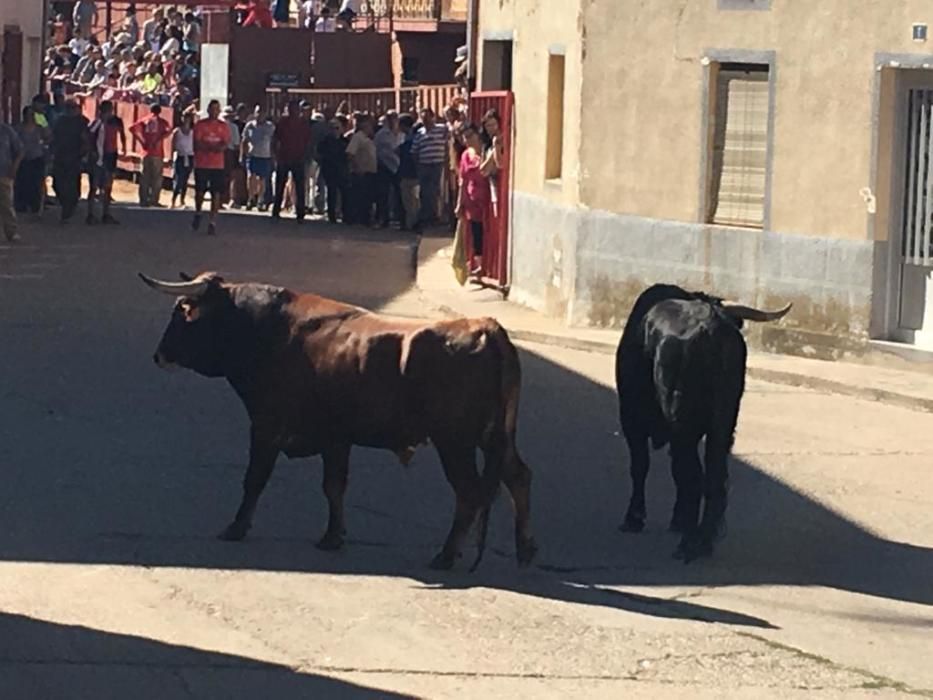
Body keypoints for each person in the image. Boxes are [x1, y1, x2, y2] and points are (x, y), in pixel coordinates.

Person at [455, 123, 491, 277]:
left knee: (487, 231)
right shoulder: (465, 156)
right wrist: (459, 203)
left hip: (487, 199)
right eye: (464, 137)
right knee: (475, 231)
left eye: (470, 136)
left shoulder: (485, 152)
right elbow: (462, 180)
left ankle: (487, 264)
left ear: (478, 134)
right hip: (471, 200)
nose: (467, 140)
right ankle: (477, 263)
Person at [192, 100, 230, 235]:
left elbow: (225, 144)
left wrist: (216, 148)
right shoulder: (200, 125)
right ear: (208, 110)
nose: (214, 111)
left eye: (217, 109)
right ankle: (198, 212)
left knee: (216, 193)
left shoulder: (223, 126)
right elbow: (197, 143)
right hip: (202, 163)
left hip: (217, 164)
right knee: (200, 192)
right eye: (212, 109)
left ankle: (212, 222)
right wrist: (210, 147)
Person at [87, 99, 126, 225]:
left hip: (109, 155)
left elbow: (122, 134)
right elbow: (88, 135)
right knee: (95, 186)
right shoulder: (98, 122)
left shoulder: (115, 121)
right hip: (99, 156)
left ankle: (104, 213)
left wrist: (123, 147)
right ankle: (92, 214)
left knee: (107, 186)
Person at [272, 100, 311, 222]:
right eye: (290, 108)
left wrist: (306, 155)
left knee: (300, 186)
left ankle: (300, 212)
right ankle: (276, 209)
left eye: (294, 109)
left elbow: (308, 141)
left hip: (298, 158)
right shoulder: (283, 123)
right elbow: (275, 139)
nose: (292, 111)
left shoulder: (303, 124)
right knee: (280, 185)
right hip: (284, 157)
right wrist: (275, 154)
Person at [51, 100, 89, 223]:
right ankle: (65, 204)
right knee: (57, 183)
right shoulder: (60, 121)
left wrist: (83, 153)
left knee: (72, 183)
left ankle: (69, 207)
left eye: (73, 108)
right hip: (60, 156)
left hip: (74, 156)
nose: (71, 110)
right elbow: (54, 137)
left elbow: (85, 139)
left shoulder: (82, 122)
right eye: (69, 108)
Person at [411, 107, 448, 233]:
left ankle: (434, 216)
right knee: (424, 192)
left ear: (433, 117)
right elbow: (414, 151)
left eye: (428, 118)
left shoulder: (442, 129)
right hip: (424, 165)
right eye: (423, 119)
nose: (426, 121)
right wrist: (418, 166)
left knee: (434, 191)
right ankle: (426, 216)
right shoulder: (420, 133)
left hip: (437, 164)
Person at [130, 102, 171, 207]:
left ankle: (143, 200)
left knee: (145, 177)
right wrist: (160, 139)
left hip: (145, 151)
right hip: (157, 153)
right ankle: (154, 199)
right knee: (157, 178)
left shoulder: (145, 120)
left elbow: (132, 128)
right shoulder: (162, 122)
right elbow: (169, 130)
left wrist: (142, 141)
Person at [345, 113, 377, 226]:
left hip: (370, 172)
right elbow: (350, 153)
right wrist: (357, 168)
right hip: (361, 172)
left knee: (367, 197)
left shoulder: (369, 138)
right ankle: (358, 219)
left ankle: (366, 219)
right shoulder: (358, 137)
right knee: (360, 196)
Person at [241, 105, 275, 211]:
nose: (260, 114)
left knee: (262, 179)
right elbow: (244, 140)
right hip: (252, 155)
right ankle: (251, 198)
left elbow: (274, 141)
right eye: (258, 112)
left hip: (265, 156)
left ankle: (260, 200)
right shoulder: (249, 126)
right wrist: (242, 154)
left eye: (262, 112)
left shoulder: (270, 127)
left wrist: (274, 156)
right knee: (251, 177)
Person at [14, 107, 45, 218]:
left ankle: (35, 206)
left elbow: (48, 134)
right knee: (23, 182)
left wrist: (41, 118)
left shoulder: (39, 127)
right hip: (23, 159)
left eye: (32, 114)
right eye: (28, 114)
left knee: (36, 183)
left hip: (37, 157)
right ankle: (22, 205)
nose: (30, 116)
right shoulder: (19, 128)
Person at [317, 115, 349, 223]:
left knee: (344, 192)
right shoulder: (325, 141)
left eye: (337, 128)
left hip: (342, 170)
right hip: (329, 170)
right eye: (332, 128)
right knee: (332, 193)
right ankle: (331, 215)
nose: (335, 130)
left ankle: (345, 214)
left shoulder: (345, 141)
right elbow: (319, 153)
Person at [374, 110, 403, 228]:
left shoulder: (401, 134)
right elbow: (377, 149)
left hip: (398, 166)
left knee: (399, 193)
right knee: (383, 194)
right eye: (390, 118)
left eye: (395, 118)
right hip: (384, 166)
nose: (393, 121)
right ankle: (383, 219)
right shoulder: (381, 134)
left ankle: (400, 219)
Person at [0, 118, 23, 242]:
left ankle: (11, 231)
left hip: (4, 172)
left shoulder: (6, 130)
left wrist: (15, 167)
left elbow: (19, 150)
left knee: (7, 204)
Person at [396, 113, 419, 231]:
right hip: (412, 173)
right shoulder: (414, 136)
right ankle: (411, 223)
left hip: (409, 173)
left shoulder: (410, 139)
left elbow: (402, 152)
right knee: (412, 201)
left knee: (410, 201)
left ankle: (411, 224)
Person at [170, 111, 194, 208]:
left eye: (188, 118)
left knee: (185, 179)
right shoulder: (177, 131)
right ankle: (173, 200)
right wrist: (171, 157)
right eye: (184, 117)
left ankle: (182, 200)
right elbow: (172, 145)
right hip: (180, 156)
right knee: (179, 179)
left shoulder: (193, 132)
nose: (186, 120)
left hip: (190, 156)